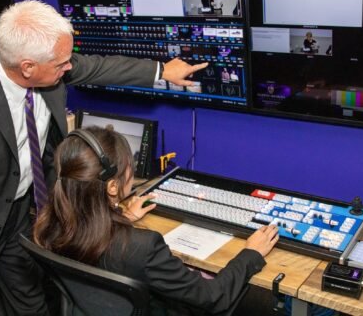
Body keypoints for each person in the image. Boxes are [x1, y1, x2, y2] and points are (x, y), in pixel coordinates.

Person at [0, 0, 207, 315]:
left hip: (22, 216)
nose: (70, 67)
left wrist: (162, 70)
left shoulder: (47, 63)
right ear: (27, 66)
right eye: (62, 63)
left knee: (31, 304)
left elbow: (99, 66)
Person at [33, 126, 279, 314]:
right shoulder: (143, 246)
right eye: (128, 168)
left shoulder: (48, 224)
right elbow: (213, 297)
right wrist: (250, 254)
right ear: (112, 187)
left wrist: (123, 217)